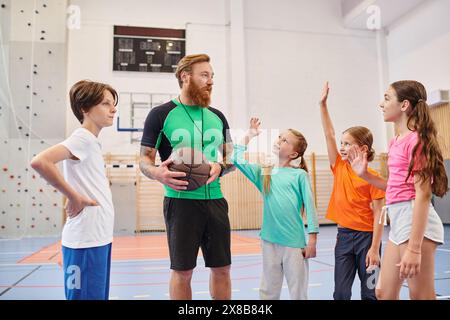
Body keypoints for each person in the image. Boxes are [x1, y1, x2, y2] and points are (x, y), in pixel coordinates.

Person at [139, 54, 235, 300]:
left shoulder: (218, 116)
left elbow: (232, 159)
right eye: (204, 75)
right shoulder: (161, 115)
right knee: (183, 272)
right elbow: (144, 160)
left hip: (215, 200)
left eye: (212, 76)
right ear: (185, 77)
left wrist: (220, 166)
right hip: (180, 203)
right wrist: (158, 173)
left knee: (222, 269)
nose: (210, 81)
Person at [348, 80, 447, 300]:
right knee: (383, 292)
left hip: (415, 220)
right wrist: (365, 175)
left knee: (420, 295)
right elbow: (394, 187)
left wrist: (414, 248)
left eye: (386, 98)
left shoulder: (416, 141)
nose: (381, 104)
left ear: (404, 105)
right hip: (399, 220)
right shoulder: (395, 142)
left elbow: (422, 195)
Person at [30, 80, 118, 300]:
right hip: (86, 240)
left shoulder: (92, 142)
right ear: (84, 109)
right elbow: (40, 161)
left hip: (98, 238)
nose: (113, 109)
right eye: (106, 104)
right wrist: (73, 196)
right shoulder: (82, 139)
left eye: (113, 104)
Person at [232, 117, 319, 300]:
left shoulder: (299, 175)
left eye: (285, 140)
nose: (279, 140)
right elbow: (235, 158)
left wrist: (312, 239)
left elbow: (310, 206)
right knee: (268, 292)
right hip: (269, 241)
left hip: (294, 244)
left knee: (298, 292)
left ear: (294, 154)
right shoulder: (265, 172)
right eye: (280, 137)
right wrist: (249, 135)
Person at [319, 82, 385, 300]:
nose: (342, 147)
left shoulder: (374, 178)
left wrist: (375, 249)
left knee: (370, 292)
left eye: (348, 144)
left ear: (363, 149)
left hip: (368, 240)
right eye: (342, 143)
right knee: (341, 292)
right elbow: (329, 134)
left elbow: (380, 215)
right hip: (344, 237)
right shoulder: (339, 166)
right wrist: (323, 105)